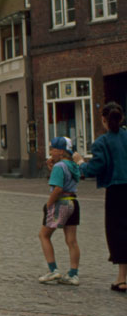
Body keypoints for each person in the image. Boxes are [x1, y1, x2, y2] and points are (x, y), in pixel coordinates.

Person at [73, 102, 127, 293]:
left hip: (116, 190)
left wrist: (80, 163)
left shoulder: (101, 142)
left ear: (104, 120)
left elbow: (95, 168)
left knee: (118, 232)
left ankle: (122, 278)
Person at [37, 137, 81, 285]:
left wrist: (49, 204)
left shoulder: (59, 166)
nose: (51, 152)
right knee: (71, 240)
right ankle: (73, 274)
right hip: (73, 203)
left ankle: (53, 270)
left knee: (44, 235)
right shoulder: (73, 165)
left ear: (61, 151)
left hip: (60, 203)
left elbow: (58, 188)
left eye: (53, 149)